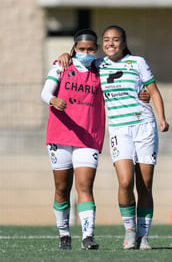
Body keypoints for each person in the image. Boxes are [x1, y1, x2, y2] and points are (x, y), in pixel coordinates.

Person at [58, 25, 169, 250]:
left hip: (144, 126)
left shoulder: (138, 62)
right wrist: (65, 55)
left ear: (124, 43)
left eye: (116, 40)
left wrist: (161, 117)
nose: (111, 43)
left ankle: (143, 235)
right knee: (126, 182)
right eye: (107, 39)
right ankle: (129, 232)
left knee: (145, 184)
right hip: (119, 130)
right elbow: (78, 60)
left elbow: (153, 91)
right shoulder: (97, 64)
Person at [40, 29, 105, 250]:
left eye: (90, 49)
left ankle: (88, 236)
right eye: (81, 49)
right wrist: (53, 100)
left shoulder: (101, 69)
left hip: (88, 137)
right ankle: (64, 234)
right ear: (74, 48)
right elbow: (45, 92)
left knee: (85, 186)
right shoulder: (62, 65)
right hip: (60, 134)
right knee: (61, 188)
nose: (86, 53)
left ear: (96, 49)